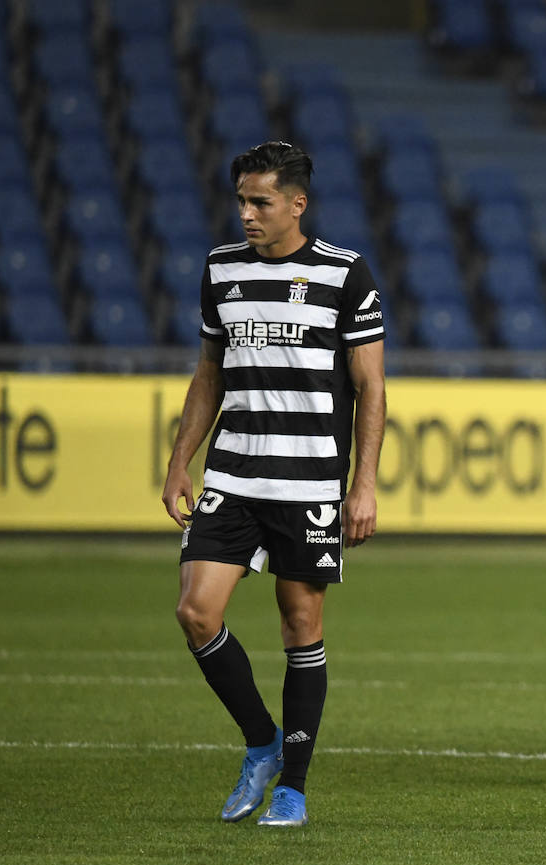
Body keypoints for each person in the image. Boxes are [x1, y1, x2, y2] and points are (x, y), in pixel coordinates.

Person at [161, 140, 387, 826]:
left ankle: (293, 784)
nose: (248, 214)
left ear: (298, 203)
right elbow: (209, 375)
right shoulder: (220, 269)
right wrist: (180, 461)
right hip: (234, 472)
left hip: (309, 480)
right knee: (196, 612)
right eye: (241, 201)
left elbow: (370, 386)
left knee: (301, 624)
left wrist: (364, 484)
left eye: (260, 202)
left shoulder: (345, 274)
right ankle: (261, 742)